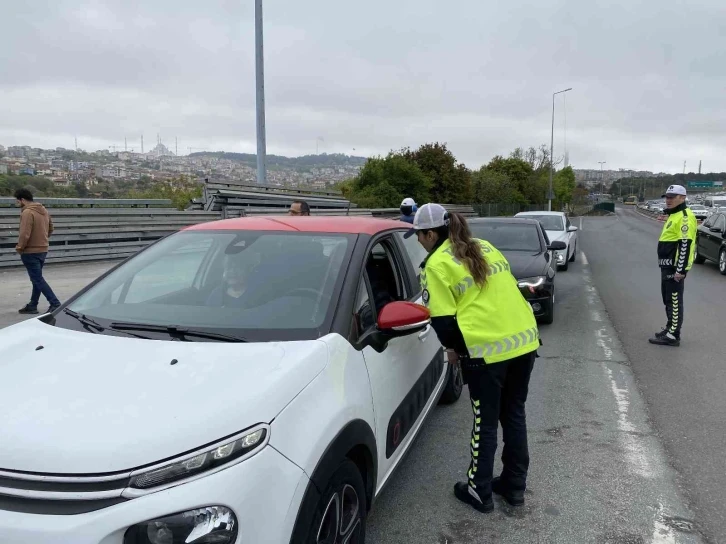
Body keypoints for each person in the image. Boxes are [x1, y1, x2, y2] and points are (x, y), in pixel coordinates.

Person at [407, 203, 540, 513]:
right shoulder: (484, 246)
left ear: (430, 233)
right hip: (524, 342)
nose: (417, 241)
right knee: (514, 415)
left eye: (418, 235)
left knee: (485, 423)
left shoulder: (436, 264)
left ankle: (479, 490)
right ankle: (514, 485)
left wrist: (455, 350)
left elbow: (443, 321)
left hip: (487, 353)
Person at [649, 184, 697, 347]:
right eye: (667, 197)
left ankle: (673, 335)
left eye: (672, 197)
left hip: (674, 267)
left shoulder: (684, 216)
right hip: (667, 265)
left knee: (674, 300)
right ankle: (670, 328)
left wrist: (681, 269)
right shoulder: (675, 214)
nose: (668, 200)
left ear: (682, 198)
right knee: (667, 298)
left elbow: (685, 244)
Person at [14, 188, 61, 314]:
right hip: (43, 249)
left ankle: (55, 303)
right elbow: (51, 228)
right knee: (37, 278)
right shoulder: (43, 210)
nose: (17, 204)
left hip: (30, 251)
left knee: (37, 279)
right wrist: (43, 239)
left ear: (22, 200)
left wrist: (20, 247)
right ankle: (33, 305)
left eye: (17, 201)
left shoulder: (27, 212)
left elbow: (24, 234)